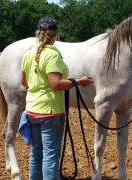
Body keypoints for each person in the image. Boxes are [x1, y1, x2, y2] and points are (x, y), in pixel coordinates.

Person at [20, 16, 93, 180]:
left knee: (36, 153)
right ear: (55, 35)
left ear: (38, 33)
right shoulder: (52, 55)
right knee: (50, 156)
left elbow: (24, 82)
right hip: (50, 112)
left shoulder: (28, 55)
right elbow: (55, 84)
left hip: (32, 110)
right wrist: (78, 82)